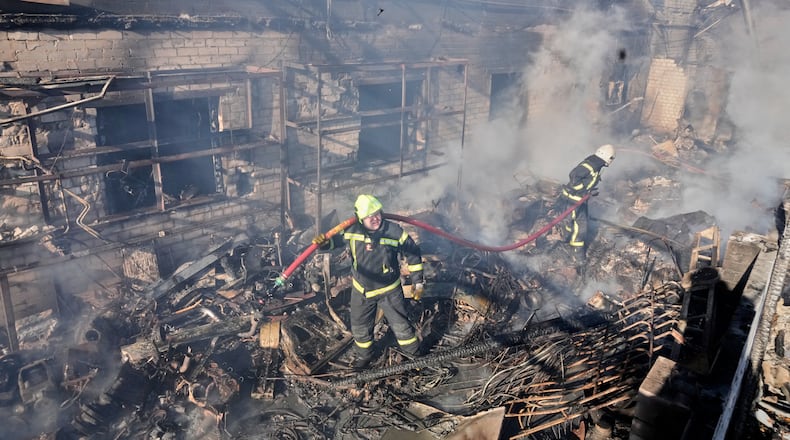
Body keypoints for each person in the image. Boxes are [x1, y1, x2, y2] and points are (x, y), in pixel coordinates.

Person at [312, 194, 425, 368]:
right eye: (369, 216)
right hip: (361, 291)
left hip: (390, 291)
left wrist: (418, 283)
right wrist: (323, 243)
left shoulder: (393, 231)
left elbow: (413, 253)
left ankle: (415, 358)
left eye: (377, 213)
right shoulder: (351, 231)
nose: (375, 218)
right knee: (360, 328)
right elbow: (333, 243)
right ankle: (364, 357)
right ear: (360, 218)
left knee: (402, 326)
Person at [559, 144, 616, 267]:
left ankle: (567, 240)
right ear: (608, 157)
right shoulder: (591, 165)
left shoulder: (596, 164)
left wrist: (589, 191)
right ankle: (577, 255)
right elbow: (574, 177)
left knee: (571, 223)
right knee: (581, 227)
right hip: (573, 200)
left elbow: (586, 181)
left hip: (577, 200)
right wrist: (584, 190)